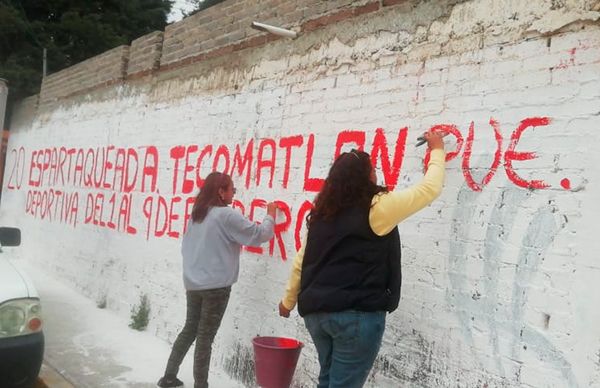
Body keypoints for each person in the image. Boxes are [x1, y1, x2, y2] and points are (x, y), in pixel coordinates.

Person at [278, 131, 446, 388]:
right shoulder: (377, 206)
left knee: (329, 380)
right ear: (365, 177)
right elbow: (429, 189)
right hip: (355, 317)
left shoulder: (322, 213)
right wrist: (436, 149)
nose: (376, 174)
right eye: (373, 170)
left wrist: (288, 301)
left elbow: (302, 261)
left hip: (317, 316)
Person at [157, 171, 277, 388]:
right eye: (232, 189)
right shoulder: (226, 215)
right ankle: (200, 385)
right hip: (216, 288)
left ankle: (168, 376)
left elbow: (186, 248)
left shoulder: (197, 214)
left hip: (193, 284)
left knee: (190, 330)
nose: (234, 193)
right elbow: (259, 234)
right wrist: (270, 215)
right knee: (205, 339)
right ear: (221, 192)